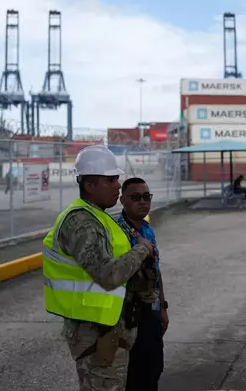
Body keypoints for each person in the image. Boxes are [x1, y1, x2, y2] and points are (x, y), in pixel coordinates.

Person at [42, 145, 157, 391]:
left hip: (106, 328)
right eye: (110, 179)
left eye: (116, 178)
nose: (118, 185)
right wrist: (142, 249)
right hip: (94, 332)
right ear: (89, 185)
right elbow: (108, 275)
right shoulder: (80, 221)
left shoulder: (98, 217)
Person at [116, 177, 169, 391]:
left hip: (152, 312)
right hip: (130, 316)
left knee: (154, 369)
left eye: (146, 196)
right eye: (135, 197)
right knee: (134, 377)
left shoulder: (147, 230)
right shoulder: (116, 233)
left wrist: (163, 307)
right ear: (123, 200)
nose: (142, 201)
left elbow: (155, 271)